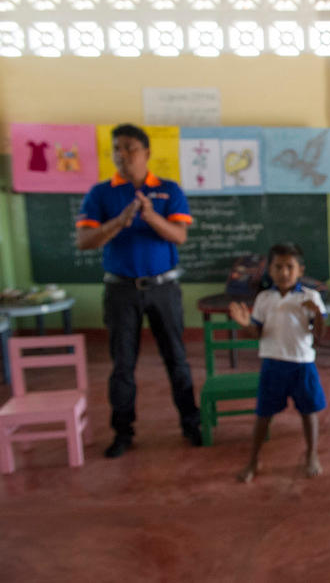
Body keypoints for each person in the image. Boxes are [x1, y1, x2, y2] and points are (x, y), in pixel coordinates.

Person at [75, 123, 201, 458]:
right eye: (116, 148)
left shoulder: (168, 190)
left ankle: (191, 423)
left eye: (129, 148)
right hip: (121, 291)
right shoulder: (101, 193)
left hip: (163, 288)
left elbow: (179, 236)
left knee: (176, 358)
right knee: (122, 365)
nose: (122, 154)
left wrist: (149, 215)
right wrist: (118, 221)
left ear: (146, 153)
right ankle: (122, 432)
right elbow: (84, 241)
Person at [228, 243, 327, 482]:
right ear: (269, 271)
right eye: (278, 267)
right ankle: (254, 460)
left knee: (308, 412)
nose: (284, 272)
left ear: (300, 270)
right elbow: (256, 333)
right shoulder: (264, 298)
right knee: (263, 414)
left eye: (289, 267)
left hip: (301, 363)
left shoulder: (310, 296)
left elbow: (319, 337)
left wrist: (318, 315)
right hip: (272, 363)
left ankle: (311, 454)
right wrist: (244, 325)